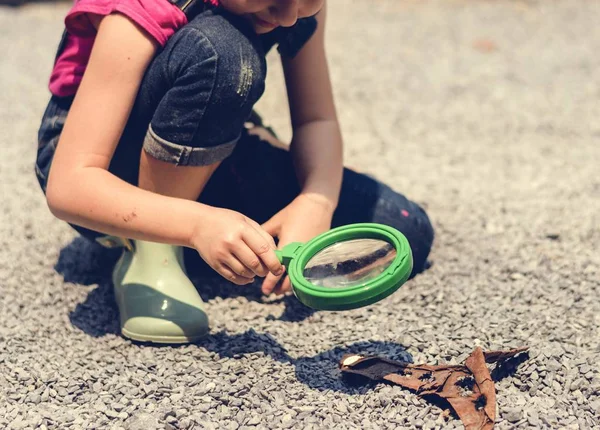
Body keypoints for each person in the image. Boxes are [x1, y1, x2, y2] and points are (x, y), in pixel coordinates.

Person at [35, 0, 434, 344]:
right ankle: (154, 252)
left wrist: (317, 200)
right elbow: (69, 185)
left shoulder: (287, 8)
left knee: (403, 230)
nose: (291, 17)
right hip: (110, 174)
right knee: (224, 54)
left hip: (208, 147)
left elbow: (316, 120)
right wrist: (196, 225)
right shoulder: (141, 10)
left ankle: (216, 234)